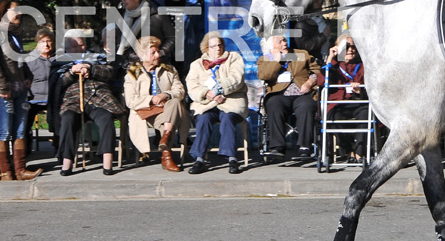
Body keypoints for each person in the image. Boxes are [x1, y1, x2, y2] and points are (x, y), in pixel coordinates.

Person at [53, 32, 124, 176]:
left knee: (106, 119)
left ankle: (107, 161)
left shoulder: (97, 57)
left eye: (82, 44)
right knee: (68, 119)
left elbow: (109, 73)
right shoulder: (60, 61)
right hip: (74, 99)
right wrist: (72, 72)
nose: (79, 48)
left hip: (99, 97)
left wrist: (91, 69)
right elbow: (58, 84)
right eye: (74, 46)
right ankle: (67, 162)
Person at [185, 33, 247, 174]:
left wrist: (219, 90)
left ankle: (232, 158)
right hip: (207, 103)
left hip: (231, 101)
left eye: (220, 45)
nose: (217, 49)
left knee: (227, 118)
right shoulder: (196, 65)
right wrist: (208, 94)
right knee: (203, 119)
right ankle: (199, 160)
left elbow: (237, 78)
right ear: (206, 48)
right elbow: (192, 87)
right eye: (213, 46)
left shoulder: (234, 58)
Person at [124, 36, 185, 172]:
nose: (158, 55)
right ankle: (166, 154)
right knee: (169, 121)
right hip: (146, 111)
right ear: (143, 55)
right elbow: (130, 100)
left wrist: (165, 94)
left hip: (167, 108)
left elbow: (180, 90)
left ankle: (165, 143)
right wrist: (150, 99)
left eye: (158, 51)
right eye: (153, 52)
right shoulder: (132, 74)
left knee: (174, 102)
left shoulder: (169, 70)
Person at [0, 0, 41, 180]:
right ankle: (6, 172)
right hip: (4, 90)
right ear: (4, 11)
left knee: (21, 129)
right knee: (4, 131)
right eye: (15, 9)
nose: (20, 13)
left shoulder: (15, 34)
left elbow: (20, 60)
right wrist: (2, 86)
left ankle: (20, 170)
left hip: (20, 88)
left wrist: (28, 77)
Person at [257, 35, 321, 160]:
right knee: (273, 104)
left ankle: (305, 146)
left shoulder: (301, 54)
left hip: (302, 92)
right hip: (279, 94)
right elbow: (265, 75)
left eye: (284, 40)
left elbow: (317, 71)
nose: (284, 42)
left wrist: (309, 82)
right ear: (272, 47)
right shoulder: (265, 59)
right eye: (279, 42)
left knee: (306, 106)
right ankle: (277, 146)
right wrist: (278, 60)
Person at [152, 0, 205, 80]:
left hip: (186, 50)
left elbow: (199, 29)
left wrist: (197, 49)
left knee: (186, 81)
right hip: (164, 49)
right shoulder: (157, 4)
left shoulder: (193, 5)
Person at [324, 35, 370, 162]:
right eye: (346, 46)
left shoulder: (362, 65)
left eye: (353, 47)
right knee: (335, 117)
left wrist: (360, 90)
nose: (350, 50)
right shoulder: (334, 65)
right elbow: (323, 82)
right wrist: (330, 58)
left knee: (365, 115)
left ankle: (360, 153)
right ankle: (349, 151)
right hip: (339, 103)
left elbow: (372, 87)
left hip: (359, 101)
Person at [117, 0, 175, 69]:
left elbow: (172, 37)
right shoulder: (125, 18)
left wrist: (160, 53)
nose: (123, 0)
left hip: (156, 65)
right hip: (132, 67)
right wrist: (135, 56)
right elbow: (119, 42)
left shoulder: (157, 15)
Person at [23, 28, 55, 151]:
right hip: (33, 99)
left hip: (53, 98)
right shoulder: (28, 60)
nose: (46, 44)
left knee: (60, 118)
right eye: (42, 41)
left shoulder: (58, 59)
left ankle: (59, 147)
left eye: (49, 41)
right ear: (37, 43)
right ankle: (25, 148)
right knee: (24, 120)